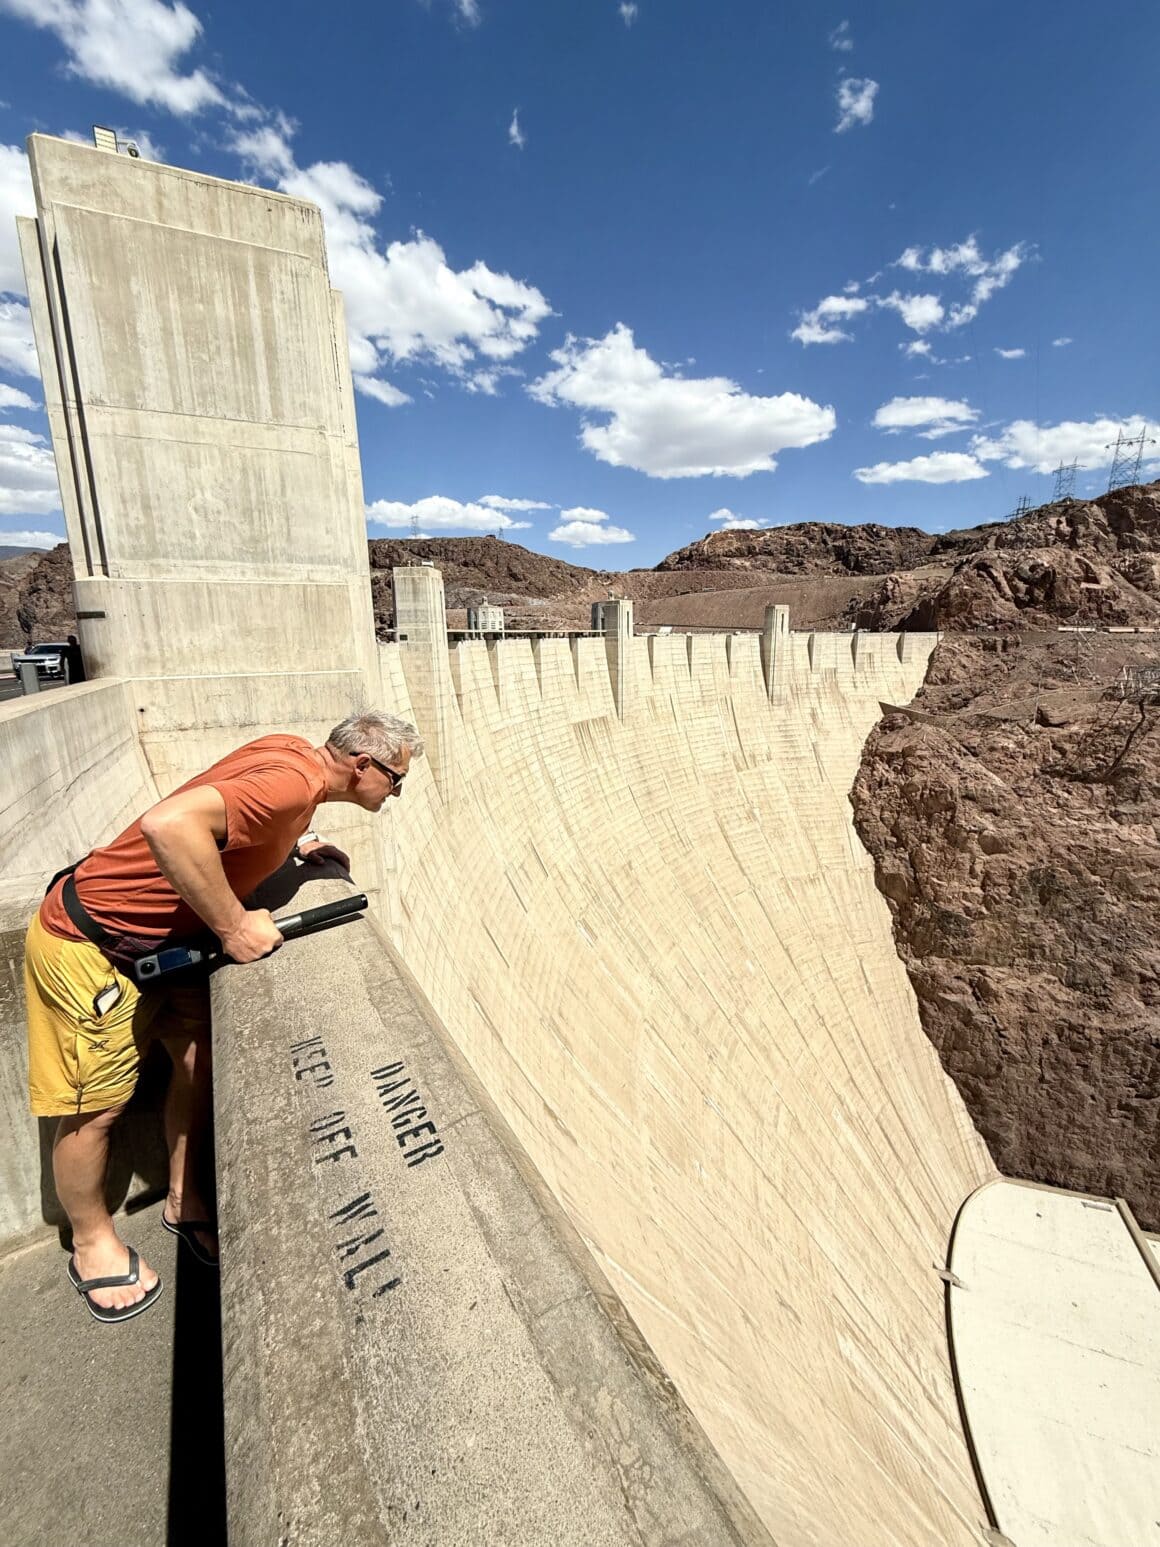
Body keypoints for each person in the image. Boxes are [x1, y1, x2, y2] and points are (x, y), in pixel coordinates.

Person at [24, 710, 423, 1323]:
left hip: (154, 949)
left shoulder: (298, 764)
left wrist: (292, 848)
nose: (395, 793)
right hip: (90, 947)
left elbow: (235, 817)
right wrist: (235, 927)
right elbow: (170, 823)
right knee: (93, 1111)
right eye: (395, 781)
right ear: (362, 766)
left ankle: (184, 1201)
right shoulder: (291, 783)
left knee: (195, 1060)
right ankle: (90, 1245)